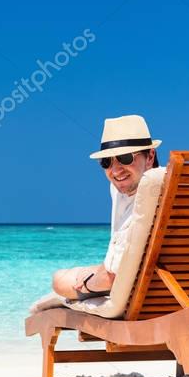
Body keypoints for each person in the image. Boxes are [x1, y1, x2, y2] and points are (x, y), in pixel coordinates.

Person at [51, 115, 163, 300]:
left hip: (148, 288)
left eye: (125, 158)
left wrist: (88, 285)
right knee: (75, 274)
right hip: (182, 283)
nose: (116, 170)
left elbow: (111, 279)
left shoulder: (146, 197)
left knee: (59, 280)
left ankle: (54, 299)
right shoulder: (178, 186)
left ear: (150, 156)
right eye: (106, 162)